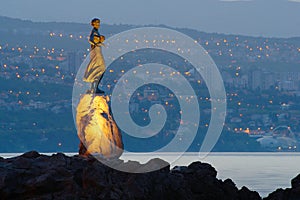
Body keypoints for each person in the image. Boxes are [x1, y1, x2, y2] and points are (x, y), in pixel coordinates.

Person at [83, 18, 106, 94]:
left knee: (98, 69)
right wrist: (96, 43)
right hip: (96, 52)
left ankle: (94, 87)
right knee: (100, 69)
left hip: (97, 51)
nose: (98, 24)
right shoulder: (94, 31)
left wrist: (99, 41)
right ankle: (94, 87)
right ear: (93, 24)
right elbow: (90, 39)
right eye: (96, 23)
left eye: (98, 23)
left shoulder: (96, 31)